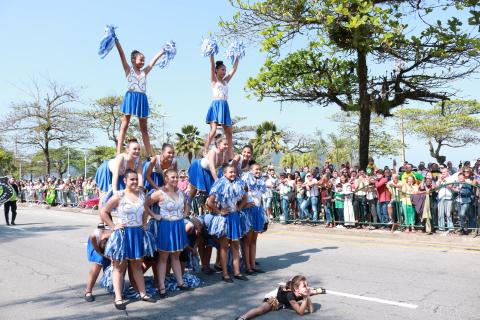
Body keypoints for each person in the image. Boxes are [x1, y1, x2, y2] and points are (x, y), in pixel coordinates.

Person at [100, 169, 156, 310]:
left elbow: (144, 210)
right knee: (119, 266)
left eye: (136, 179)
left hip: (137, 233)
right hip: (123, 234)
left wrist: (144, 224)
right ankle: (118, 297)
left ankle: (142, 293)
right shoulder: (119, 195)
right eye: (132, 179)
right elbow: (104, 211)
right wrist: (114, 226)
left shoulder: (141, 195)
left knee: (136, 265)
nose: (135, 182)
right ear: (125, 181)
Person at [113, 38, 166, 157]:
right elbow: (121, 54)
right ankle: (118, 152)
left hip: (142, 99)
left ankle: (149, 154)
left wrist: (163, 51)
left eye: (143, 60)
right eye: (141, 60)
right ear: (133, 60)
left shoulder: (144, 72)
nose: (143, 62)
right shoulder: (128, 69)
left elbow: (152, 62)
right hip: (131, 97)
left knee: (144, 129)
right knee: (124, 124)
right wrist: (116, 42)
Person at [145, 169, 191, 298]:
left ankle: (180, 282)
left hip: (178, 225)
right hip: (166, 226)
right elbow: (145, 204)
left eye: (177, 177)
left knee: (176, 255)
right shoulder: (159, 193)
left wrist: (185, 213)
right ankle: (161, 286)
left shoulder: (180, 192)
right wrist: (154, 215)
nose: (176, 179)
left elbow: (187, 204)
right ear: (166, 178)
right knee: (163, 257)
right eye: (173, 177)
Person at [206, 163, 248, 282]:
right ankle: (225, 274)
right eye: (230, 172)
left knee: (235, 245)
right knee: (224, 247)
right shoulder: (219, 184)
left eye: (234, 172)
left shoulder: (239, 183)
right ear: (224, 173)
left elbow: (245, 197)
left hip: (235, 217)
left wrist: (239, 208)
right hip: (224, 220)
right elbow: (210, 202)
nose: (233, 174)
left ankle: (237, 272)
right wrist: (219, 211)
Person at [234, 275, 325, 320]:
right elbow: (300, 313)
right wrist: (306, 298)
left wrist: (308, 296)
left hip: (287, 299)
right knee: (261, 309)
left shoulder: (301, 292)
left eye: (307, 285)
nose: (307, 287)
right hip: (275, 298)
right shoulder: (290, 295)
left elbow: (311, 310)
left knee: (305, 300)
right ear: (297, 289)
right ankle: (242, 317)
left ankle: (315, 291)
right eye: (304, 286)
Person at [204, 55, 240, 160]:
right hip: (216, 105)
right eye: (222, 69)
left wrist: (237, 57)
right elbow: (211, 66)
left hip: (224, 106)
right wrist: (211, 54)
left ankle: (230, 156)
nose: (224, 72)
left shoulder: (225, 81)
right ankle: (205, 149)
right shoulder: (214, 81)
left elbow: (234, 69)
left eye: (225, 70)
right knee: (214, 130)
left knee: (229, 132)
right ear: (216, 70)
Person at [241, 163, 267, 274]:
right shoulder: (245, 178)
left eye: (259, 169)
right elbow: (242, 193)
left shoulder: (260, 181)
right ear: (251, 170)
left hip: (257, 211)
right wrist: (244, 205)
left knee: (254, 240)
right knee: (247, 240)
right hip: (248, 212)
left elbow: (261, 197)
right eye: (256, 169)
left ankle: (253, 264)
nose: (258, 171)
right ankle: (247, 266)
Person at [188, 135, 229, 201]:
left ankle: (210, 209)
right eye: (225, 144)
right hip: (198, 168)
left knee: (211, 193)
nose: (227, 146)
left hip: (209, 172)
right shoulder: (213, 152)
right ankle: (187, 204)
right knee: (193, 191)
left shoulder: (225, 154)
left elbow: (226, 167)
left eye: (227, 144)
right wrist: (217, 181)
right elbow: (212, 167)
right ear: (218, 145)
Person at [84, 225, 112, 302]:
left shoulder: (115, 235)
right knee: (98, 263)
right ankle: (88, 291)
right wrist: (103, 254)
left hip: (110, 237)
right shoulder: (94, 236)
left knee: (114, 264)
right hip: (96, 245)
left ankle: (112, 286)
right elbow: (99, 251)